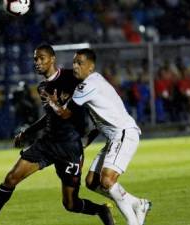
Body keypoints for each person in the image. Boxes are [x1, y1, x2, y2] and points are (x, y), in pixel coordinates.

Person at [0, 45, 114, 225]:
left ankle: (101, 210)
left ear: (52, 59)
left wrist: (91, 135)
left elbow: (91, 105)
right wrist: (27, 132)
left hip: (69, 148)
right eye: (35, 59)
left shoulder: (71, 78)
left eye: (41, 58)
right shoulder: (43, 86)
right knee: (11, 178)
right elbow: (49, 117)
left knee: (71, 203)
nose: (37, 62)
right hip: (47, 144)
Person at [43, 48, 151, 225]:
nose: (75, 66)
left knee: (107, 180)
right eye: (74, 63)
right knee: (92, 182)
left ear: (90, 67)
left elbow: (64, 114)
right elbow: (102, 117)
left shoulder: (86, 86)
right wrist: (88, 139)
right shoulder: (96, 80)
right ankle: (138, 204)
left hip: (124, 134)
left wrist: (52, 103)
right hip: (115, 136)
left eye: (80, 63)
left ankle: (134, 222)